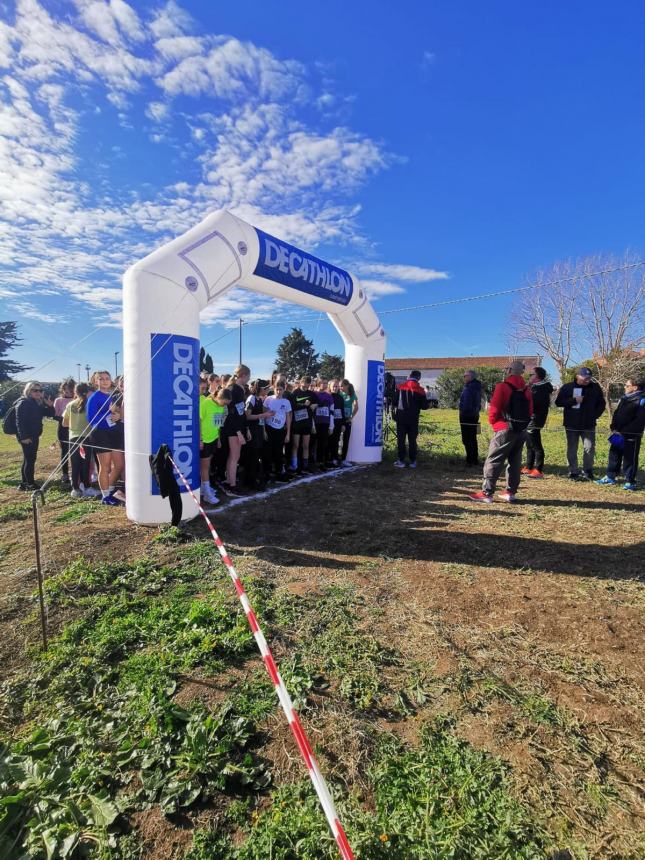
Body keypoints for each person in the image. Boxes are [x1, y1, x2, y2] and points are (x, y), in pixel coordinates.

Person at [469, 360, 533, 503]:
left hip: (504, 428)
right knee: (515, 462)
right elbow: (530, 411)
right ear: (522, 372)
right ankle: (510, 492)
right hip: (521, 429)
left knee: (494, 460)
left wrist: (494, 424)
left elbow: (495, 409)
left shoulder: (503, 386)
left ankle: (487, 493)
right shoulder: (527, 389)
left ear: (509, 370)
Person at [555, 367, 606, 480]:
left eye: (589, 377)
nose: (587, 380)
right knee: (572, 448)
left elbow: (602, 403)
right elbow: (558, 402)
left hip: (588, 424)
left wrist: (594, 415)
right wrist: (574, 400)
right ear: (578, 376)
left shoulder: (595, 387)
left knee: (589, 447)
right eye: (585, 377)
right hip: (571, 424)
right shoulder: (567, 387)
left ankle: (588, 470)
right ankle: (573, 471)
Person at [596, 377, 645, 491]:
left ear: (635, 387)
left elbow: (639, 421)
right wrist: (614, 427)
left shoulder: (642, 400)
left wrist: (624, 431)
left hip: (631, 434)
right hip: (618, 432)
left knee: (630, 458)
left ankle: (630, 481)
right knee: (614, 454)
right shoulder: (624, 398)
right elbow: (617, 413)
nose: (624, 387)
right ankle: (610, 476)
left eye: (627, 386)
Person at [86, 370, 124, 505]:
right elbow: (91, 419)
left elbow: (116, 413)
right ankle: (105, 496)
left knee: (119, 465)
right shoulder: (94, 397)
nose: (105, 381)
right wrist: (108, 414)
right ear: (96, 382)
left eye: (107, 378)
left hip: (113, 433)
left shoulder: (111, 396)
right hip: (100, 434)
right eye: (101, 379)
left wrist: (118, 416)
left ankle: (111, 489)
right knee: (105, 466)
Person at [14, 382, 54, 490]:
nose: (38, 392)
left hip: (33, 435)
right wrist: (23, 437)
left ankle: (24, 483)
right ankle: (30, 484)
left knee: (28, 459)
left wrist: (50, 406)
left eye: (40, 390)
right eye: (35, 390)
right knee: (30, 459)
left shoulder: (36, 403)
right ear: (28, 391)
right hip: (27, 436)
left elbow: (50, 414)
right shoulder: (24, 403)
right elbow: (19, 421)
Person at [62, 382, 99, 498]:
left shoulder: (70, 404)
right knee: (85, 463)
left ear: (75, 392)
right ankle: (86, 487)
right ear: (88, 392)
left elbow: (64, 423)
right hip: (86, 437)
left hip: (73, 438)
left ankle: (76, 489)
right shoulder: (90, 404)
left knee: (75, 464)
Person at [222, 365, 251, 496]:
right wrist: (239, 432)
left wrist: (246, 428)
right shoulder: (234, 389)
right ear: (243, 375)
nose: (249, 379)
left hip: (238, 427)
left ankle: (229, 481)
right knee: (235, 457)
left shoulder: (240, 389)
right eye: (248, 376)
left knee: (233, 456)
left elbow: (241, 412)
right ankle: (231, 486)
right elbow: (231, 414)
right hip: (233, 429)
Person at [521, 367, 554, 478]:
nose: (529, 376)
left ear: (537, 376)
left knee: (536, 445)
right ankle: (529, 467)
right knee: (529, 444)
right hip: (530, 418)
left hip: (535, 419)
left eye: (532, 374)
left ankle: (538, 469)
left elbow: (535, 404)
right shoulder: (534, 387)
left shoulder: (541, 389)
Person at [393, 370, 429, 468]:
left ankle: (401, 461)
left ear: (409, 376)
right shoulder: (421, 390)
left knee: (401, 440)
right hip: (413, 419)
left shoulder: (400, 387)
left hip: (401, 418)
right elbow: (425, 406)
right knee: (412, 440)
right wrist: (427, 395)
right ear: (419, 378)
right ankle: (413, 461)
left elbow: (394, 402)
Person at [198, 383, 223, 506]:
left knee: (207, 466)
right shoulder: (205, 403)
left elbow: (217, 424)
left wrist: (218, 438)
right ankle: (207, 493)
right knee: (205, 466)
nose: (204, 390)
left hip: (213, 439)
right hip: (204, 440)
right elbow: (198, 421)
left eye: (205, 388)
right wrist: (200, 439)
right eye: (202, 388)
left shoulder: (220, 406)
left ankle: (204, 488)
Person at [264, 380, 292, 481]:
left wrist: (288, 434)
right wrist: (264, 431)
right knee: (267, 453)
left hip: (280, 430)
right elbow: (263, 415)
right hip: (269, 428)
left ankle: (279, 472)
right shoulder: (268, 399)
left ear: (284, 389)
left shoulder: (286, 402)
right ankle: (267, 474)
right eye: (277, 389)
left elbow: (288, 418)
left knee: (278, 452)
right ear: (273, 389)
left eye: (281, 389)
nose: (278, 392)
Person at [289, 375, 318, 473]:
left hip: (307, 423)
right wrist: (303, 405)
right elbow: (292, 407)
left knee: (306, 445)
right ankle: (294, 465)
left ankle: (305, 466)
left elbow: (317, 403)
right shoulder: (295, 392)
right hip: (297, 423)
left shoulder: (312, 394)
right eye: (304, 385)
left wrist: (315, 405)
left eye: (307, 385)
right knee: (295, 445)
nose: (305, 387)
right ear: (301, 382)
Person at [53, 378, 75, 485]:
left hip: (76, 429)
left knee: (76, 452)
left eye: (70, 389)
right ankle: (65, 474)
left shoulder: (78, 399)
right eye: (66, 389)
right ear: (62, 389)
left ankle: (76, 474)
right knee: (65, 452)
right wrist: (66, 418)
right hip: (63, 429)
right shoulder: (58, 400)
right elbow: (55, 416)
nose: (68, 392)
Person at [458, 370, 482, 466]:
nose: (464, 378)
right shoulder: (477, 387)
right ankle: (475, 459)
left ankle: (469, 460)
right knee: (473, 437)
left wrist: (462, 410)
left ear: (470, 377)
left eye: (465, 376)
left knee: (467, 438)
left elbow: (466, 404)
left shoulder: (469, 388)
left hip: (466, 416)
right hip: (475, 414)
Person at [313, 379, 334, 469]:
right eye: (322, 383)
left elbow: (332, 411)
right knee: (313, 443)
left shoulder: (329, 396)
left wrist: (331, 426)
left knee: (323, 443)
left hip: (325, 422)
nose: (324, 384)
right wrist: (312, 424)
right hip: (315, 423)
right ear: (318, 384)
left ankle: (321, 462)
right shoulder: (314, 394)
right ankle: (312, 462)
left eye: (326, 383)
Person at [339, 378, 358, 466]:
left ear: (346, 386)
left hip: (347, 420)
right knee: (336, 439)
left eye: (342, 386)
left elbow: (356, 407)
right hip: (339, 419)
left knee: (346, 440)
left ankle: (343, 459)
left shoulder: (352, 394)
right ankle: (334, 458)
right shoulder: (339, 394)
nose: (340, 387)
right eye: (340, 386)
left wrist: (351, 417)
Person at [328, 379, 345, 467]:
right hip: (329, 423)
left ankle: (335, 458)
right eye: (333, 386)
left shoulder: (340, 397)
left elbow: (342, 411)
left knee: (336, 440)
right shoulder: (328, 396)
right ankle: (328, 459)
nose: (335, 388)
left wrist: (343, 424)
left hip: (338, 422)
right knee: (329, 441)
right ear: (330, 387)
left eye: (336, 386)